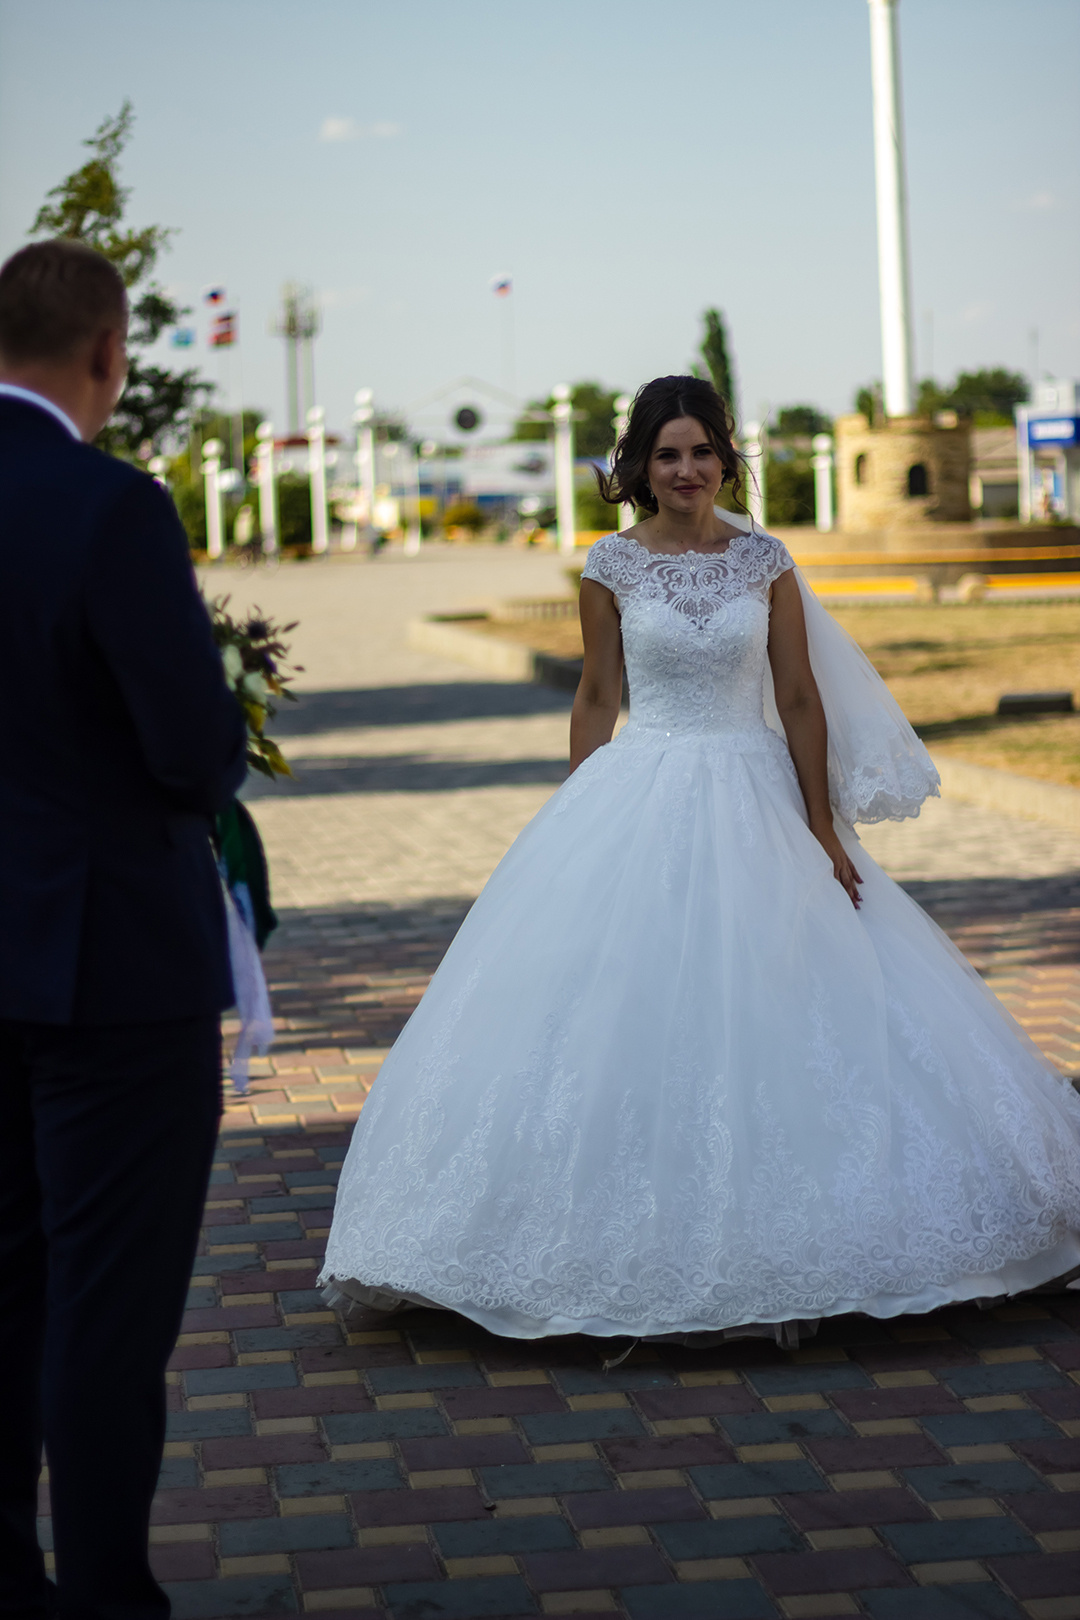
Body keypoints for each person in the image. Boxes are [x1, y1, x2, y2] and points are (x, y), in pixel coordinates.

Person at [320, 373, 1080, 1343]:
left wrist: (820, 826)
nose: (686, 469)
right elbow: (597, 697)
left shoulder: (764, 561)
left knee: (796, 997)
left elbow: (799, 698)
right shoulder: (610, 566)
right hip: (641, 784)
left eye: (701, 451)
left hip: (755, 787)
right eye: (667, 453)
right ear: (641, 466)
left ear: (726, 457)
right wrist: (577, 815)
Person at [0, 241, 246, 1619]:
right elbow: (189, 748)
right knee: (107, 1306)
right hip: (108, 969)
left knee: (5, 1282)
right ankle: (106, 1596)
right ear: (109, 353)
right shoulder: (111, 508)